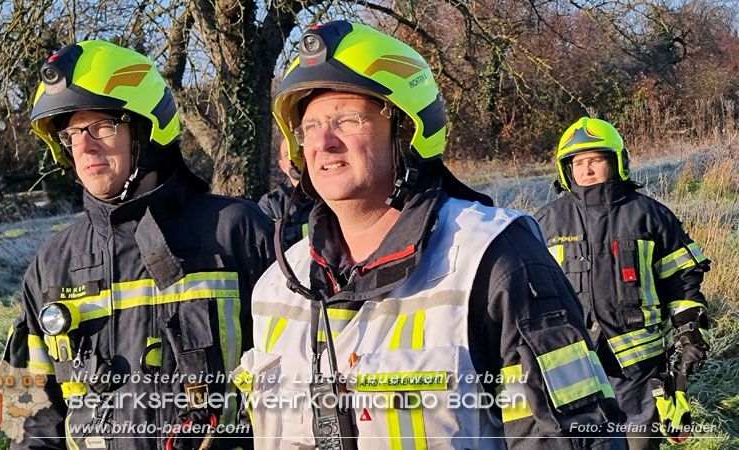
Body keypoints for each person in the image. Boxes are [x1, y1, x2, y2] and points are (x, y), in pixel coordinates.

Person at [233, 21, 625, 449]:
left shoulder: (492, 259)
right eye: (309, 126)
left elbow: (569, 439)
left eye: (347, 120)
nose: (323, 142)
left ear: (407, 131)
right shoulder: (276, 288)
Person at [1, 40, 274, 450]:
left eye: (102, 126)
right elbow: (34, 424)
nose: (84, 146)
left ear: (148, 131)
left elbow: (296, 396)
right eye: (71, 132)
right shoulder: (53, 264)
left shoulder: (237, 232)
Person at [535, 117, 711, 449]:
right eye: (578, 163)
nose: (587, 170)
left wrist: (690, 336)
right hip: (571, 366)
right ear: (566, 170)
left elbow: (682, 282)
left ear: (617, 162)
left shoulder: (650, 216)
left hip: (639, 370)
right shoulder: (546, 222)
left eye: (596, 160)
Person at [258, 139, 314, 248]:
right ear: (281, 166)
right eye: (286, 155)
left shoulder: (330, 195)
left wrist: (289, 231)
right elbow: (267, 239)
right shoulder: (270, 202)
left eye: (297, 153)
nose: (292, 159)